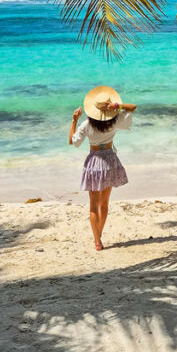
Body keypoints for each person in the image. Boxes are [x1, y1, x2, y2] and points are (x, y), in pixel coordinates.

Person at [69, 86, 136, 250]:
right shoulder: (115, 121)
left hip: (94, 162)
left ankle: (97, 240)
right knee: (104, 204)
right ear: (109, 107)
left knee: (93, 204)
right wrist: (117, 107)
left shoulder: (86, 124)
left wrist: (74, 120)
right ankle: (99, 234)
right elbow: (133, 107)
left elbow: (73, 141)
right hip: (109, 162)